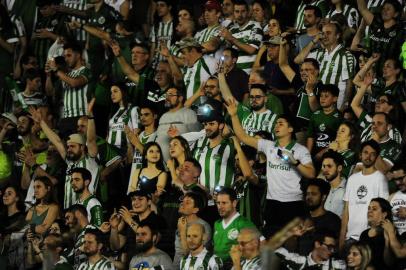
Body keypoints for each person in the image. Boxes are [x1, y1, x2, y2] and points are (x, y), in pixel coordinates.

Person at [227, 98, 315, 237]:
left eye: (281, 123)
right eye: (276, 124)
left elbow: (311, 174)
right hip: (272, 202)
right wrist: (233, 115)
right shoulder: (269, 146)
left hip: (293, 202)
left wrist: (295, 163)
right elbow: (243, 137)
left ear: (291, 129)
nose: (276, 126)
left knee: (292, 240)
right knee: (272, 242)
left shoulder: (300, 150)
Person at [29, 105, 99, 209]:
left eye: (73, 146)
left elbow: (91, 140)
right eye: (68, 146)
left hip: (86, 211)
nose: (69, 149)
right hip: (69, 212)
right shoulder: (70, 163)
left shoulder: (90, 160)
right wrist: (41, 122)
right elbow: (56, 141)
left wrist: (91, 118)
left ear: (82, 147)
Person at [340, 140, 389, 251]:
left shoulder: (380, 179)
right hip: (350, 237)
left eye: (372, 154)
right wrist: (341, 239)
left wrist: (375, 235)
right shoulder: (352, 179)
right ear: (360, 155)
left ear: (376, 157)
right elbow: (346, 211)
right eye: (366, 152)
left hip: (369, 238)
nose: (368, 156)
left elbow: (383, 212)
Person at [294, 22, 355, 110]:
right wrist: (314, 40)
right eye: (323, 33)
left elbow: (350, 83)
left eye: (328, 33)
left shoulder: (345, 55)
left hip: (336, 107)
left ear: (337, 36)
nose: (324, 36)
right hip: (318, 105)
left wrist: (345, 106)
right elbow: (298, 60)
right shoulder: (319, 53)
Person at [45, 42, 91, 136]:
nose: (66, 59)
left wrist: (56, 70)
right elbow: (50, 92)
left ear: (78, 55)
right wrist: (48, 76)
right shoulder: (65, 76)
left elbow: (74, 83)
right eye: (65, 56)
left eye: (69, 55)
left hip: (81, 117)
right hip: (66, 119)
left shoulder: (87, 71)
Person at [213, 188, 257, 268]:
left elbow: (262, 244)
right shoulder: (217, 223)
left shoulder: (244, 223)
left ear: (234, 203)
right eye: (218, 203)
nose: (220, 206)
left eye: (224, 203)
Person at [155, 85, 200, 161]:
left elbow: (197, 139)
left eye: (171, 95)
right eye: (166, 95)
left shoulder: (189, 114)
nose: (167, 98)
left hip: (181, 165)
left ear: (180, 98)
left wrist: (180, 136)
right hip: (161, 165)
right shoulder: (163, 116)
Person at [219, 0, 263, 74]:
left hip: (248, 75)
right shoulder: (231, 29)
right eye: (237, 11)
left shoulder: (255, 26)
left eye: (243, 11)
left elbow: (251, 50)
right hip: (233, 75)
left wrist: (232, 39)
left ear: (248, 12)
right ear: (233, 13)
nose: (240, 15)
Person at [306, 84, 343, 166]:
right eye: (321, 96)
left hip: (331, 156)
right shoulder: (315, 115)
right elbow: (310, 136)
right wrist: (307, 155)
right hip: (314, 156)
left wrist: (324, 152)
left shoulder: (339, 117)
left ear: (335, 99)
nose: (322, 98)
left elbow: (339, 140)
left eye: (326, 96)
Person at [174, 192, 212, 267]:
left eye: (187, 203)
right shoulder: (181, 222)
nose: (182, 204)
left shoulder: (203, 226)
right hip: (177, 265)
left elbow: (194, 254)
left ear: (195, 210)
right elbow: (178, 251)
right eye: (182, 201)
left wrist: (182, 231)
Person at [275, 231, 346, 269]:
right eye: (329, 247)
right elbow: (270, 247)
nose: (332, 251)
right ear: (317, 244)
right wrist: (292, 233)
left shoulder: (338, 265)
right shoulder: (297, 261)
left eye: (334, 248)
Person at [359, 198, 393, 269]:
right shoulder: (364, 234)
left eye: (374, 209)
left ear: (384, 214)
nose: (369, 211)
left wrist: (387, 240)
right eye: (369, 208)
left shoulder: (391, 232)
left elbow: (390, 263)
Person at [107, 82, 139, 157]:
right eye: (111, 92)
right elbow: (108, 134)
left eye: (115, 91)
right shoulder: (113, 112)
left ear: (123, 91)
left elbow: (136, 133)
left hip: (125, 151)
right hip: (111, 152)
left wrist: (130, 148)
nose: (112, 95)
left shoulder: (133, 109)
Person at [321, 150, 346, 217]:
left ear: (339, 168)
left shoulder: (348, 189)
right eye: (324, 166)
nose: (325, 170)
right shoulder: (322, 189)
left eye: (329, 166)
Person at [149, 0, 174, 68]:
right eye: (157, 5)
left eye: (162, 5)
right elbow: (153, 47)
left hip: (172, 63)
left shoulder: (176, 24)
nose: (158, 8)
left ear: (169, 7)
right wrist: (150, 64)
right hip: (157, 64)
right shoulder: (156, 26)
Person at [388, 164, 406, 236]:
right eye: (396, 179)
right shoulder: (391, 197)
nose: (398, 182)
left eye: (401, 178)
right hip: (396, 240)